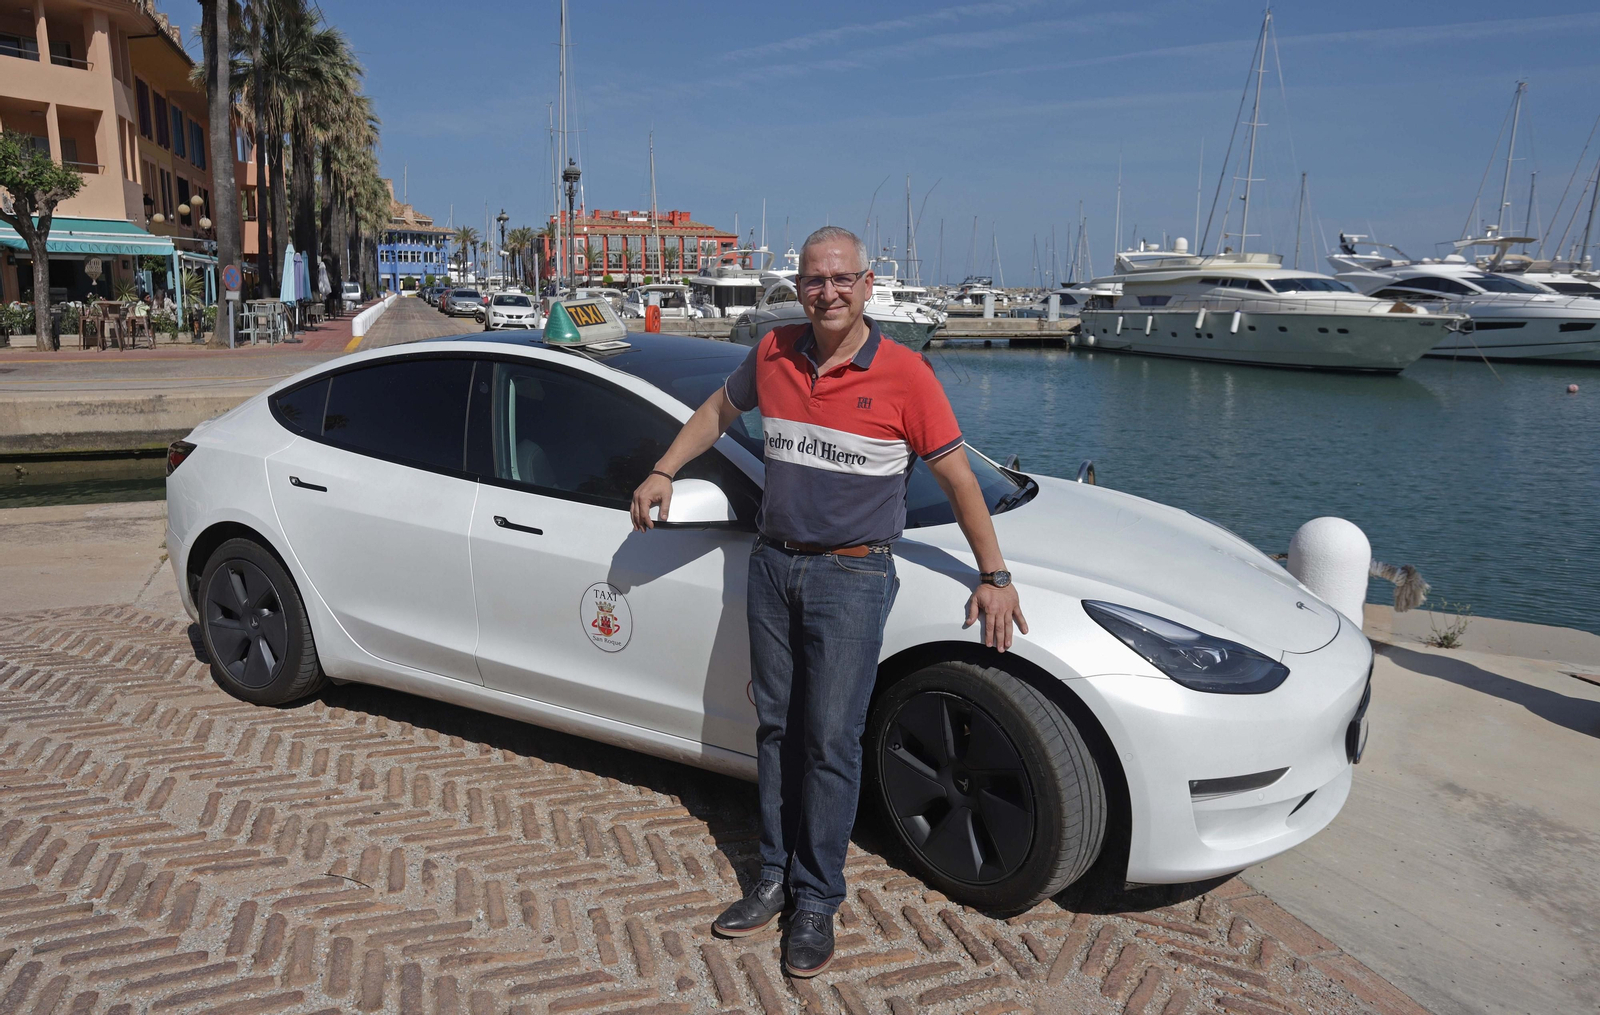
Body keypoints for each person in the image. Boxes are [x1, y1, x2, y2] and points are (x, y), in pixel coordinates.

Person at [630, 226, 1025, 977]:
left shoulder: (907, 375)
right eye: (815, 280)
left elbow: (957, 479)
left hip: (853, 576)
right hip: (775, 567)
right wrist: (664, 469)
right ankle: (774, 875)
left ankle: (817, 897)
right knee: (777, 729)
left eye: (842, 279)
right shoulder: (774, 354)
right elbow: (718, 410)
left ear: (868, 284)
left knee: (831, 742)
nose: (829, 292)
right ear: (798, 287)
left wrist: (994, 574)